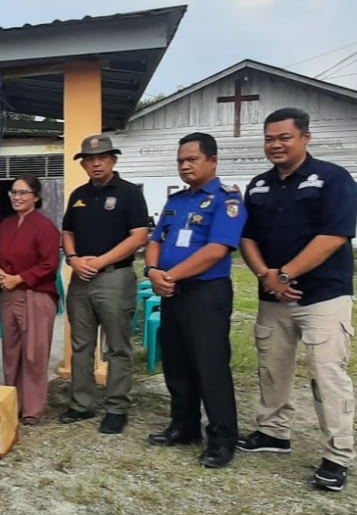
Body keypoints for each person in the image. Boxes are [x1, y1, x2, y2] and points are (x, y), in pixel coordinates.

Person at [237, 107, 357, 492]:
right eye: (270, 138)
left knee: (327, 375)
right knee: (272, 369)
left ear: (305, 137)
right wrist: (266, 277)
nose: (275, 145)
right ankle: (273, 432)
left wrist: (285, 274)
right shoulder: (257, 185)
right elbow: (247, 237)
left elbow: (334, 235)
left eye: (284, 137)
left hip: (323, 295)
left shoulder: (332, 178)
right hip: (273, 297)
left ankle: (337, 455)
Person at [145, 133, 245, 469]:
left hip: (206, 293)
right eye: (180, 161)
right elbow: (156, 238)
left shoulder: (225, 200)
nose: (185, 166)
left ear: (212, 161)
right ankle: (184, 427)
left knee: (210, 367)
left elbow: (217, 249)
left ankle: (222, 438)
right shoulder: (176, 201)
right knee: (177, 363)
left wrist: (169, 277)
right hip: (173, 293)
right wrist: (153, 270)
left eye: (192, 159)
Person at [59, 134, 148, 434]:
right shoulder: (79, 194)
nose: (96, 163)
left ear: (113, 160)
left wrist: (98, 261)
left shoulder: (129, 194)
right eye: (90, 159)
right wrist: (73, 258)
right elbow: (67, 231)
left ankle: (116, 407)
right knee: (81, 345)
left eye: (102, 158)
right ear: (83, 164)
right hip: (81, 278)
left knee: (117, 347)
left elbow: (138, 237)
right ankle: (82, 404)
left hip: (114, 277)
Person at [0, 175, 61, 425]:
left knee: (34, 353)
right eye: (14, 192)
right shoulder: (6, 224)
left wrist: (20, 278)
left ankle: (32, 410)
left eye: (23, 193)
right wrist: (0, 272)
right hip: (9, 294)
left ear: (36, 196)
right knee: (11, 352)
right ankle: (12, 403)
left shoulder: (44, 227)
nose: (17, 197)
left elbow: (49, 264)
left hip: (36, 294)